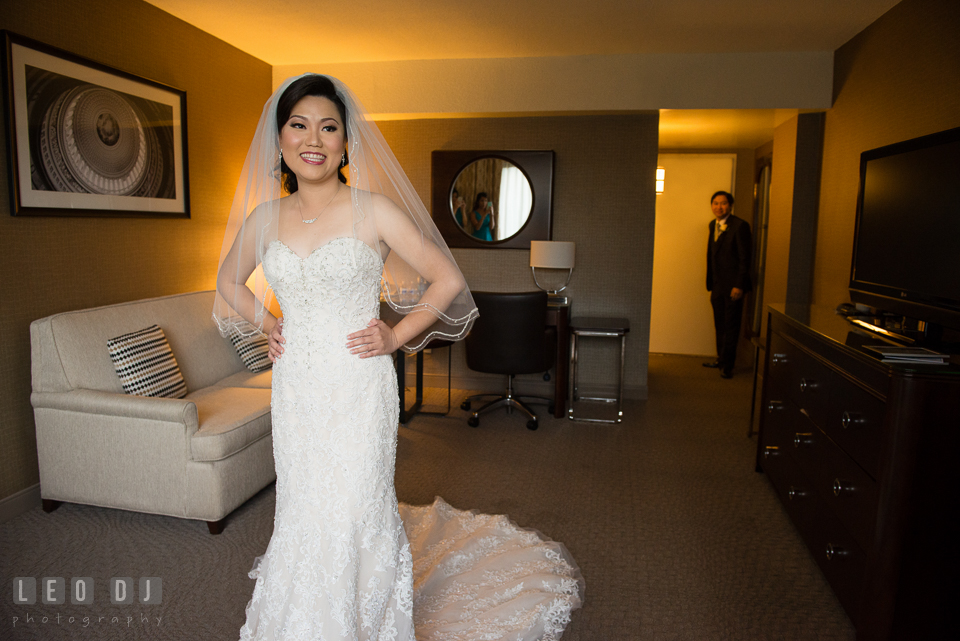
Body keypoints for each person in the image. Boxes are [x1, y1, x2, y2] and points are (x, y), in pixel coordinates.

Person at [214, 74, 582, 640]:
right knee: (303, 509)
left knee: (357, 506)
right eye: (299, 124)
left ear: (345, 142)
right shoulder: (265, 218)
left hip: (359, 386)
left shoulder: (374, 211)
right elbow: (227, 283)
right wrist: (267, 323)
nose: (314, 138)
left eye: (329, 127)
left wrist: (395, 335)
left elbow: (447, 279)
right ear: (281, 139)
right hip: (297, 389)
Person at [703, 190, 752, 379]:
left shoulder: (740, 226)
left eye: (723, 203)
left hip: (734, 287)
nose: (719, 207)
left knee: (732, 325)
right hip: (717, 285)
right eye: (715, 203)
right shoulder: (712, 225)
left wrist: (739, 285)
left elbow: (744, 258)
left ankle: (728, 366)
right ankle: (721, 358)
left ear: (730, 206)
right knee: (720, 324)